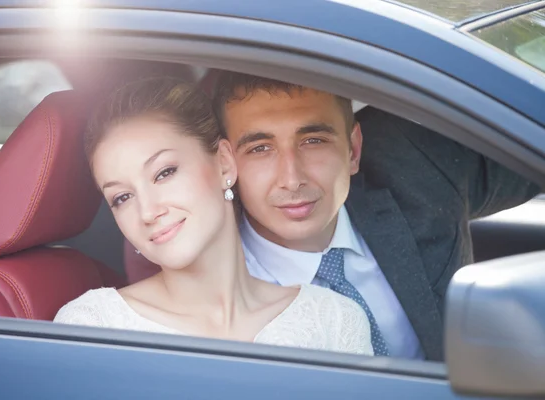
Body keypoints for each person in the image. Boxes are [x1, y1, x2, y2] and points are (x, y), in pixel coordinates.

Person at [207, 71, 541, 361]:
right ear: (226, 163)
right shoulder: (208, 279)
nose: (292, 179)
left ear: (353, 149)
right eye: (260, 149)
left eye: (313, 140)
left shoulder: (414, 165)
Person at [54, 77, 374, 356]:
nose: (148, 212)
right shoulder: (94, 326)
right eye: (122, 197)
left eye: (164, 173)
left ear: (224, 163)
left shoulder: (333, 319)